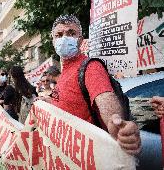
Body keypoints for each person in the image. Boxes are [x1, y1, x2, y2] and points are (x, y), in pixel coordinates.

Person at [50, 14, 140, 155]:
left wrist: (118, 126)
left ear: (80, 39)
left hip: (87, 155)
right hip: (67, 154)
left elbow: (106, 100)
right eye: (59, 35)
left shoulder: (91, 68)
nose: (64, 38)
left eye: (71, 33)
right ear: (53, 40)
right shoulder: (64, 71)